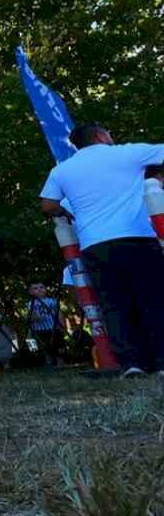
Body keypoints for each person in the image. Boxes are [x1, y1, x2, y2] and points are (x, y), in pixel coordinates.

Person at [40, 123, 164, 377]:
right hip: (138, 237)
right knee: (152, 300)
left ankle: (131, 364)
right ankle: (161, 361)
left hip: (95, 245)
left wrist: (67, 213)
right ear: (100, 136)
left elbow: (48, 205)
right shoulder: (126, 153)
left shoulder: (62, 170)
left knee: (113, 305)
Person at [26, 283, 64, 369]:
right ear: (31, 292)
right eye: (35, 288)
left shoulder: (52, 301)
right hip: (39, 329)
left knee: (57, 345)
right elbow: (31, 316)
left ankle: (60, 362)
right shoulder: (30, 303)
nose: (39, 289)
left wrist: (62, 325)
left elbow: (59, 313)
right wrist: (35, 317)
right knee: (44, 346)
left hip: (54, 328)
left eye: (41, 287)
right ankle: (48, 362)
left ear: (46, 289)